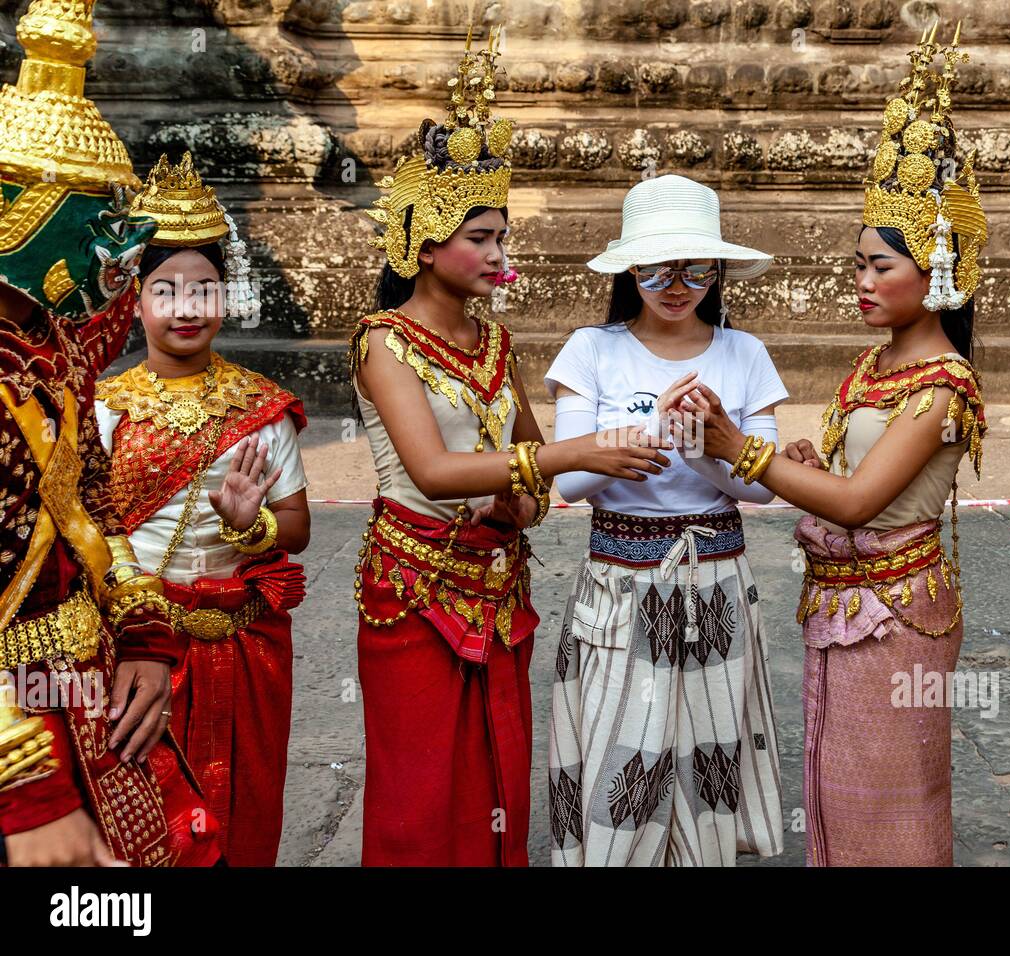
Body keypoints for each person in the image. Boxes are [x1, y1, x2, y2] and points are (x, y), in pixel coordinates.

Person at [661, 24, 987, 866]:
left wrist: (743, 450)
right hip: (842, 606)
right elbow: (846, 481)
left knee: (895, 807)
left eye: (882, 267)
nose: (863, 283)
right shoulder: (877, 365)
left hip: (896, 615)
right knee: (838, 798)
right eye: (857, 265)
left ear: (941, 269)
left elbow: (858, 503)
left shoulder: (943, 383)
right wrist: (808, 462)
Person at [352, 27, 671, 866]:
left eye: (502, 237)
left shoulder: (496, 346)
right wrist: (577, 454)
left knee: (497, 778)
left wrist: (520, 499)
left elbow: (529, 480)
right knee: (420, 794)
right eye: (481, 238)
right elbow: (430, 470)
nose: (500, 256)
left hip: (495, 584)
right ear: (423, 245)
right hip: (415, 589)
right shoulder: (383, 343)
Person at [0, 0, 221, 866]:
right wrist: (27, 784)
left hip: (79, 691)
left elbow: (91, 514)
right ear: (19, 212)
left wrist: (142, 634)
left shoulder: (48, 361)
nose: (117, 244)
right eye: (96, 212)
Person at [545, 173, 787, 867]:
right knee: (620, 755)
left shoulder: (745, 354)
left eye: (695, 268)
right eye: (654, 268)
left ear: (718, 270)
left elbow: (760, 491)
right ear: (628, 269)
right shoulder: (591, 350)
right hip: (620, 582)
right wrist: (645, 439)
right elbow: (568, 483)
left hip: (714, 576)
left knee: (707, 758)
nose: (676, 283)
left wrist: (705, 448)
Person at [94, 152, 309, 866]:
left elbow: (298, 528)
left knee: (242, 814)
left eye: (206, 289)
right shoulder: (103, 409)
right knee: (143, 820)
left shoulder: (261, 408)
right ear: (136, 297)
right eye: (167, 290)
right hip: (139, 644)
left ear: (228, 295)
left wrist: (251, 526)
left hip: (240, 647)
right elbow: (88, 533)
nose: (188, 308)